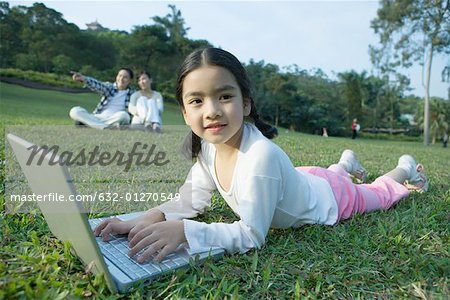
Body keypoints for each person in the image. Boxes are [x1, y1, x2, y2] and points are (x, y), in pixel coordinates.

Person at [94, 48, 428, 263]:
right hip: (305, 179)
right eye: (196, 101)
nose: (211, 111)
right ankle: (345, 163)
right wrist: (143, 219)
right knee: (325, 176)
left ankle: (404, 166)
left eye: (224, 96)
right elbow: (189, 201)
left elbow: (253, 234)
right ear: (183, 112)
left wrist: (186, 232)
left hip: (333, 199)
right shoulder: (209, 147)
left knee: (380, 194)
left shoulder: (260, 157)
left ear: (246, 103)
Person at [69, 68, 134, 129]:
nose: (121, 79)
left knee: (125, 116)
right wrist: (84, 79)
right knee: (75, 111)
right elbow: (99, 85)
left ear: (130, 80)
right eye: (119, 76)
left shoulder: (133, 93)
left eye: (125, 77)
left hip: (115, 119)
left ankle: (92, 125)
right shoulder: (110, 87)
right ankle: (104, 127)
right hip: (98, 117)